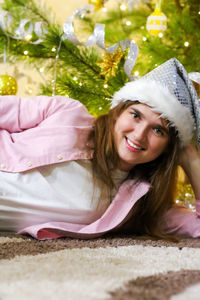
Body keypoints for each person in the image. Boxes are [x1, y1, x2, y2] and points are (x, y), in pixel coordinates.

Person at [0, 58, 200, 240]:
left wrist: (192, 162)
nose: (139, 134)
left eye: (158, 130)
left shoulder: (139, 204)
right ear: (117, 113)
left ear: (168, 148)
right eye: (136, 115)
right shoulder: (68, 113)